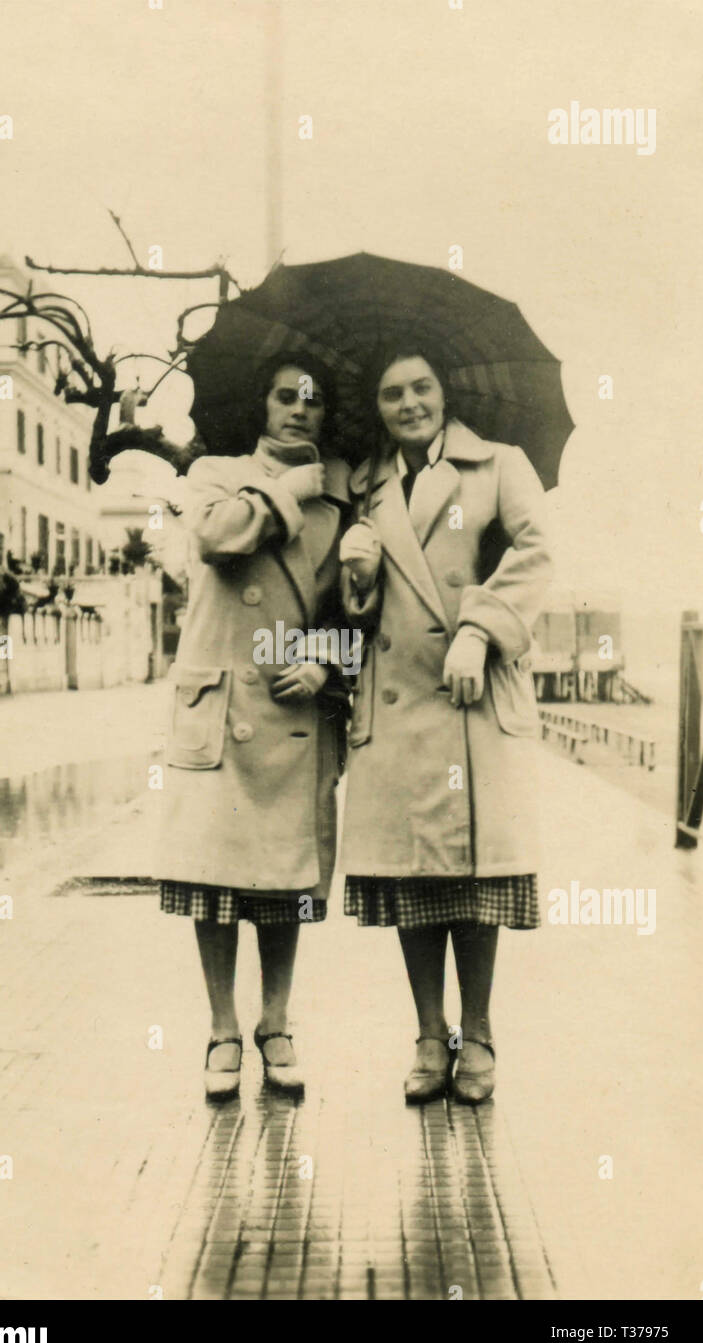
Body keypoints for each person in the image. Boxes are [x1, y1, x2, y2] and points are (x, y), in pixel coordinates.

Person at [339, 345, 552, 1103]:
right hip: (396, 702)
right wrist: (357, 578)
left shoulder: (498, 464)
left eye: (421, 387)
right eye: (391, 392)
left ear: (443, 393)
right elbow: (357, 618)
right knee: (412, 881)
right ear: (378, 406)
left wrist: (477, 629)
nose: (409, 403)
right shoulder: (362, 485)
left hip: (473, 697)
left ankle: (480, 1032)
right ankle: (430, 1035)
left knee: (475, 880)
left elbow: (538, 552)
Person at [157, 355, 349, 1100]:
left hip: (290, 707)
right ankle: (219, 1029)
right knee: (212, 881)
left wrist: (327, 664)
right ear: (263, 406)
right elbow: (213, 537)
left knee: (282, 882)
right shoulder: (214, 471)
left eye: (313, 399)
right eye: (284, 396)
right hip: (220, 701)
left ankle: (275, 1023)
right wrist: (283, 490)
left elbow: (345, 614)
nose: (298, 410)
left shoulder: (340, 505)